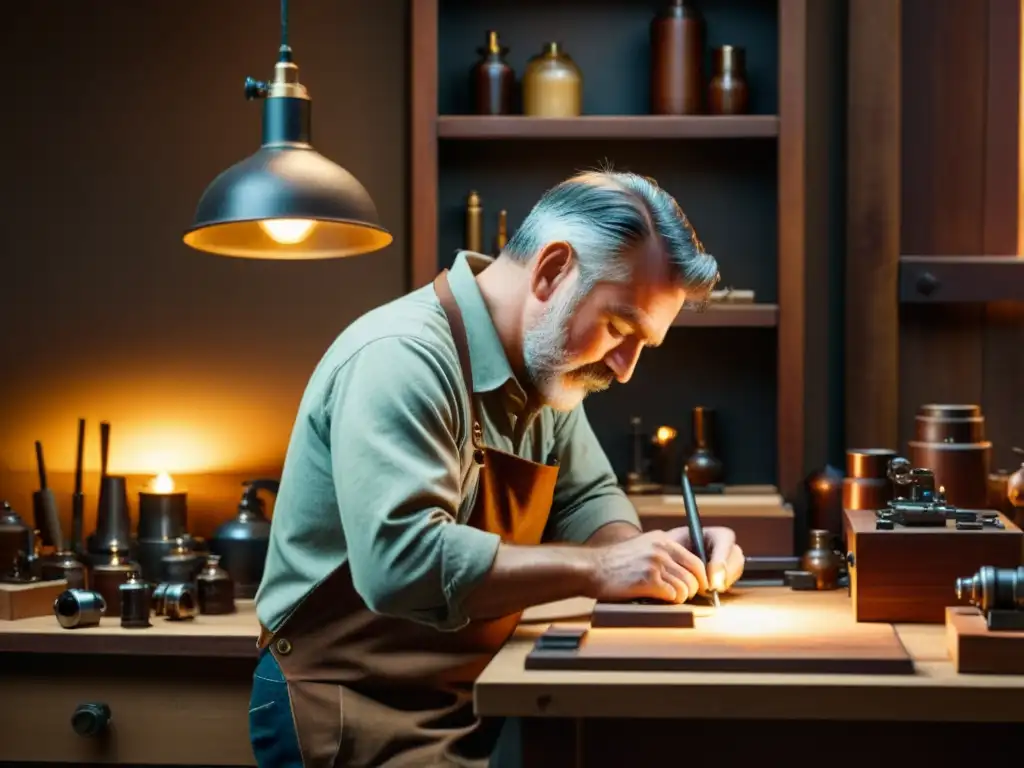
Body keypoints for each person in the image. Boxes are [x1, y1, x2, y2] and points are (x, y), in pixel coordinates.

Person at [249, 170, 746, 767]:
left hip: (472, 693)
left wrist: (662, 557)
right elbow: (398, 564)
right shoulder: (401, 358)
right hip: (348, 703)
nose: (625, 369)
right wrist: (602, 568)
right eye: (619, 327)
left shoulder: (547, 368)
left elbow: (588, 500)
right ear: (552, 270)